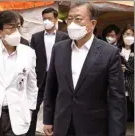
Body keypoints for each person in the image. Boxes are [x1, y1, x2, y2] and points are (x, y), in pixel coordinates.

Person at [43, 2, 127, 136]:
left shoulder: (109, 52)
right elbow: (51, 87)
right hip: (62, 123)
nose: (72, 24)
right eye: (69, 19)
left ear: (92, 24)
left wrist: (117, 132)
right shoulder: (58, 48)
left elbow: (116, 98)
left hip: (93, 126)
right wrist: (47, 119)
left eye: (78, 19)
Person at [26, 7, 69, 136]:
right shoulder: (36, 37)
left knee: (57, 108)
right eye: (44, 19)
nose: (46, 21)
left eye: (49, 19)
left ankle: (55, 132)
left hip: (57, 78)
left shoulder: (65, 37)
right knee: (33, 108)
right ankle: (29, 133)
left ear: (56, 19)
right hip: (40, 78)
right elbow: (31, 58)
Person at [119, 25, 134, 122]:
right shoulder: (116, 50)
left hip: (132, 87)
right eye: (127, 34)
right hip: (119, 87)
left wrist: (126, 69)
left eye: (133, 35)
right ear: (122, 35)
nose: (130, 37)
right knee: (121, 115)